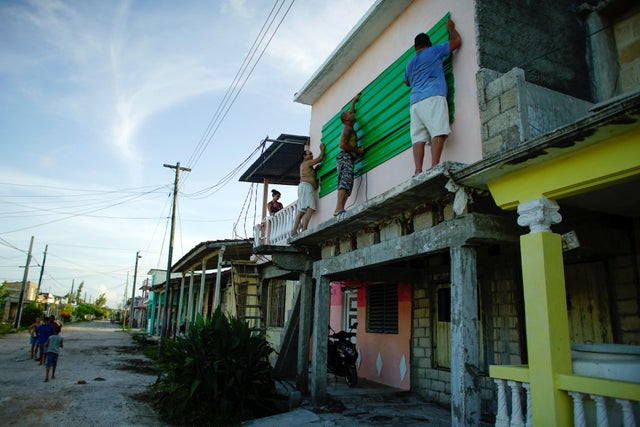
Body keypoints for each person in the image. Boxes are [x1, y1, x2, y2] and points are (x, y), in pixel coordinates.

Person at [404, 17, 461, 175]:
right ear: (428, 44)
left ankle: (417, 171)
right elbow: (456, 42)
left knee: (418, 138)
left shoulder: (410, 64)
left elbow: (406, 82)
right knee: (438, 132)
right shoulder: (433, 51)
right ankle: (434, 166)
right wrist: (451, 28)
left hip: (415, 104)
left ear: (415, 47)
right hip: (432, 96)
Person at [334, 92, 364, 216]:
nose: (353, 113)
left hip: (347, 158)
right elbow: (342, 144)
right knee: (345, 183)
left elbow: (350, 114)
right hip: (346, 156)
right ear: (347, 119)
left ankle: (340, 208)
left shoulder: (349, 125)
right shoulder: (347, 128)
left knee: (347, 183)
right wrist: (358, 150)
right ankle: (338, 209)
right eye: (350, 113)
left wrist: (354, 102)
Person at [291, 144, 325, 235]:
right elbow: (319, 159)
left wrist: (316, 171)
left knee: (302, 210)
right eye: (309, 154)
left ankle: (294, 230)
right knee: (311, 207)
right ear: (304, 156)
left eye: (311, 154)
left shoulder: (306, 166)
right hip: (306, 187)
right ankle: (304, 229)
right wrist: (322, 149)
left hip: (303, 187)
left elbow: (312, 176)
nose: (311, 155)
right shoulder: (306, 163)